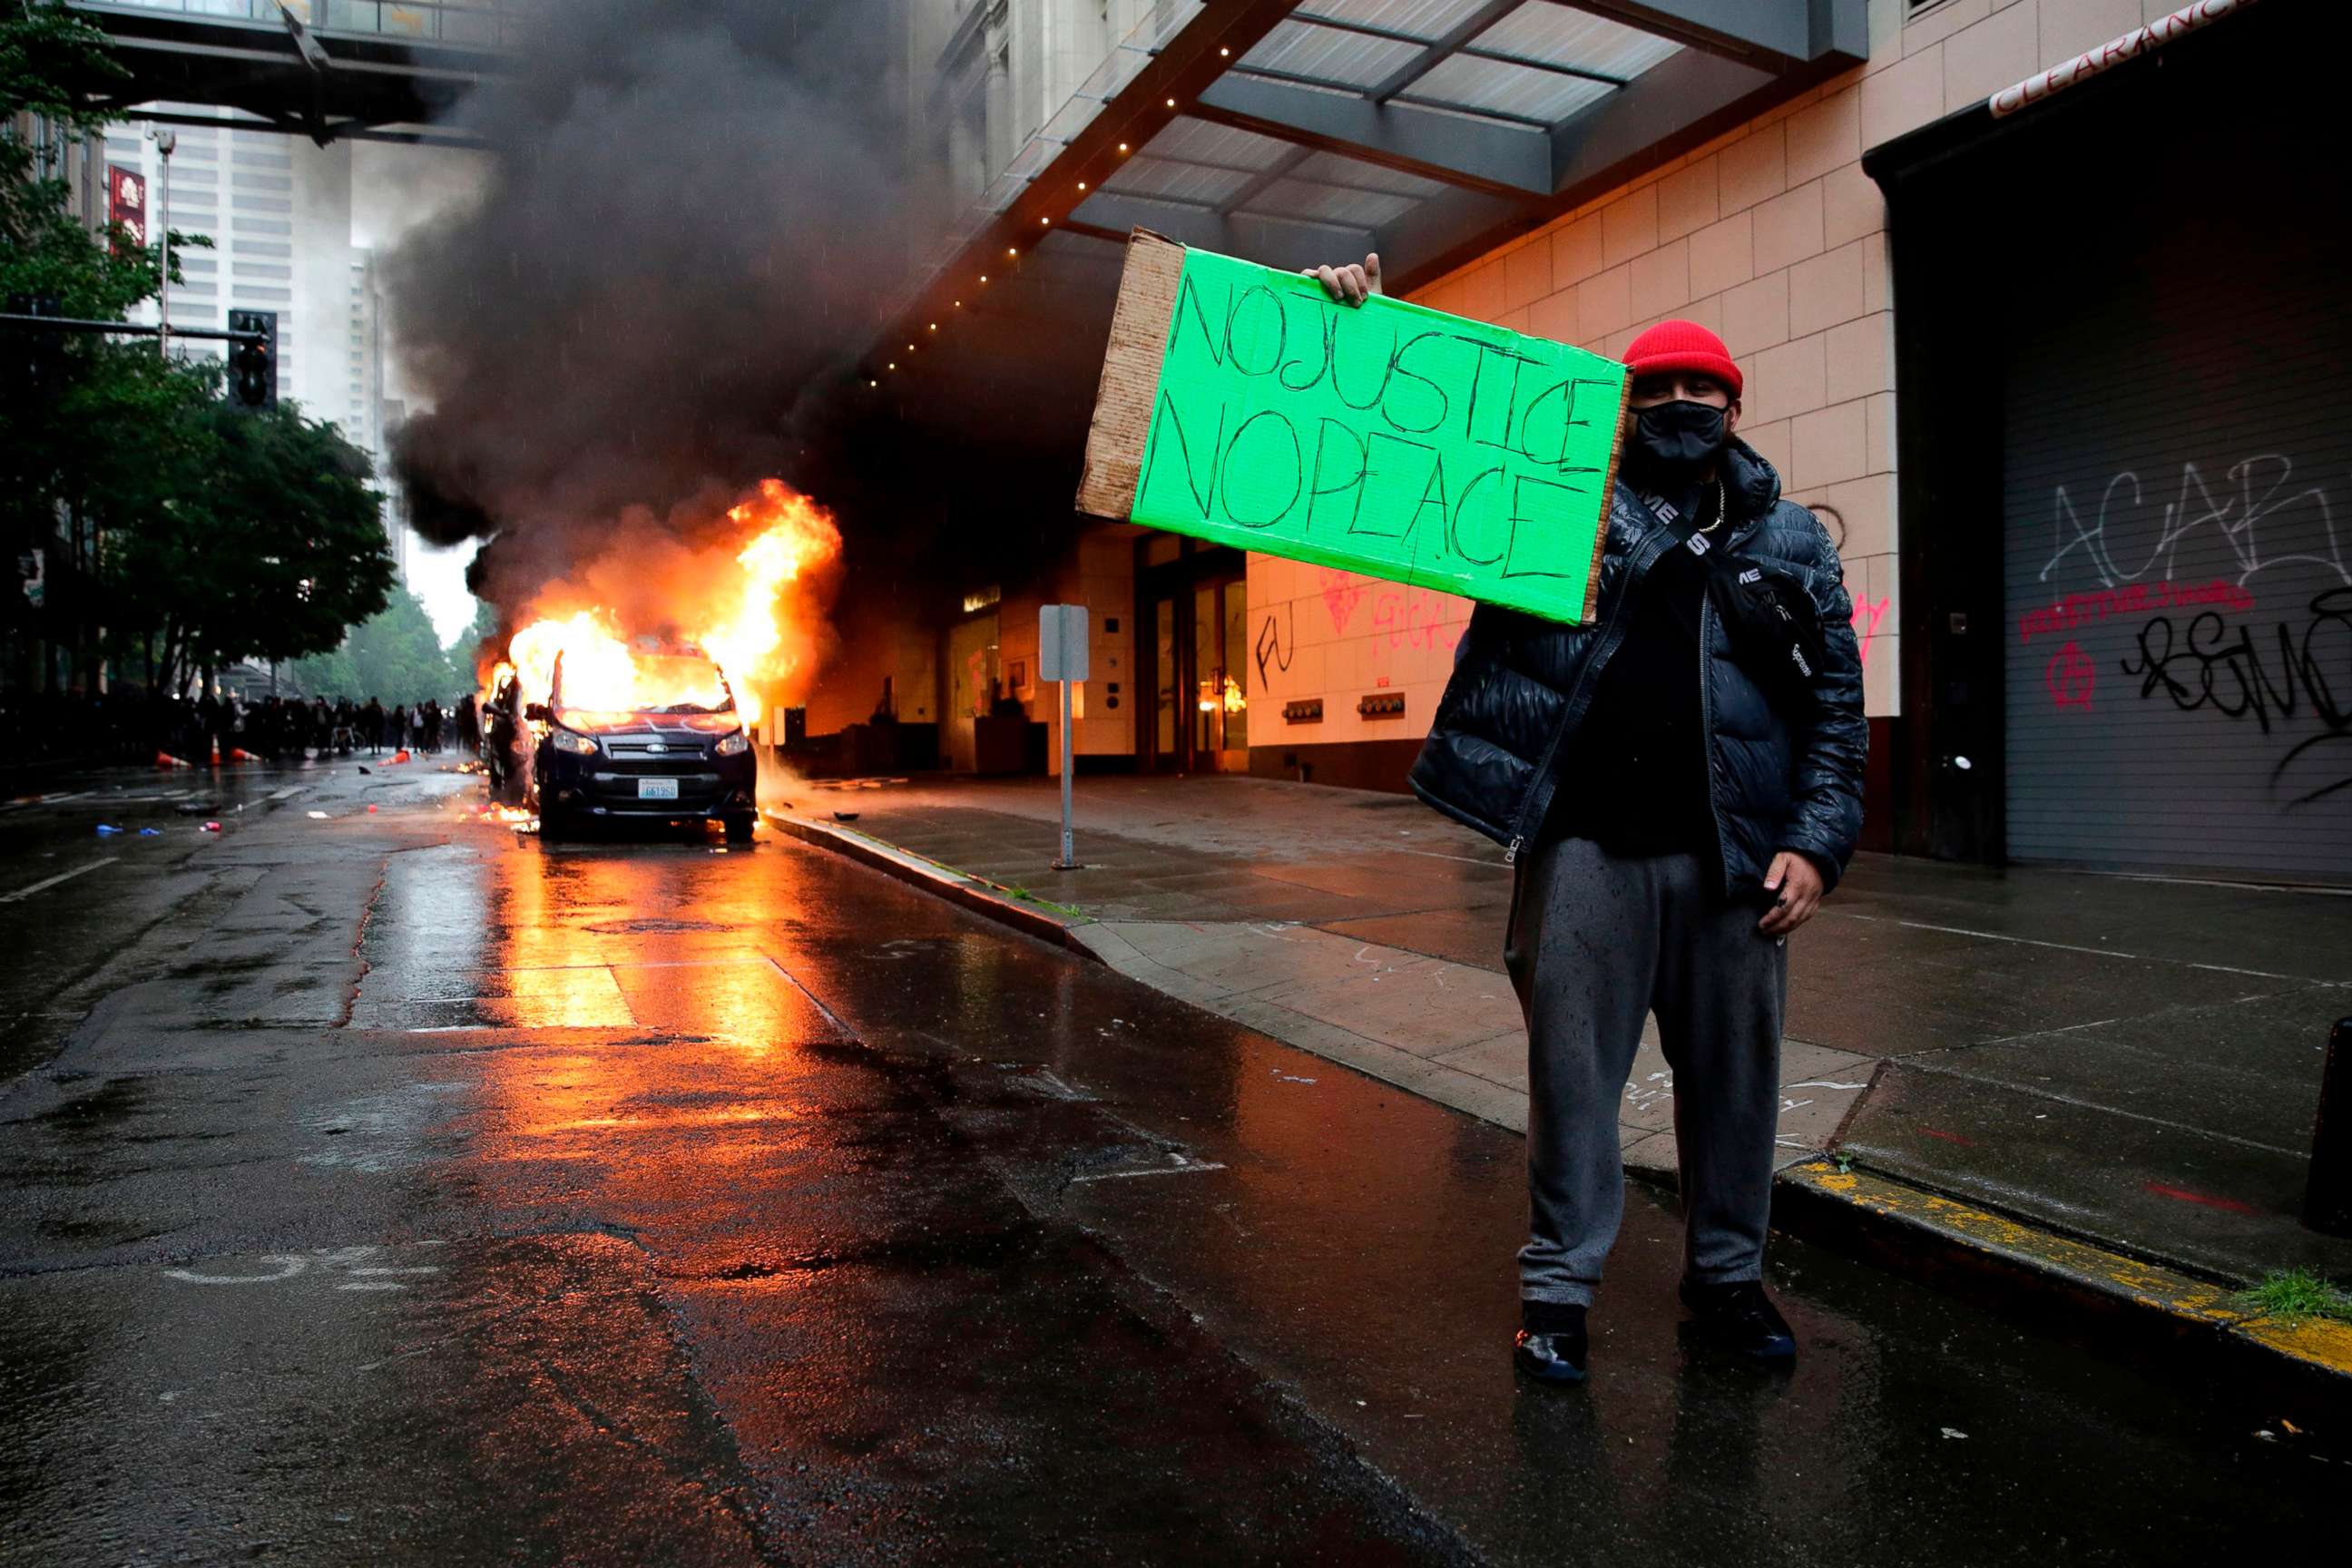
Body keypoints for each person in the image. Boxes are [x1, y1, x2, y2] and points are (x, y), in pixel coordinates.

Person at [1307, 257, 1866, 1381]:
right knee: (1572, 1085)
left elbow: (1836, 707)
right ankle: (1556, 1294)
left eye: (1696, 396)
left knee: (1736, 1089)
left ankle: (1726, 1283)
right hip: (1583, 854)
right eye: (1650, 397)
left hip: (1735, 866)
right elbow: (1411, 456)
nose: (1675, 414)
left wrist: (1817, 840)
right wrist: (1350, 336)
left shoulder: (1791, 541)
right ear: (1619, 411)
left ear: (1735, 407)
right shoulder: (1548, 508)